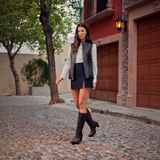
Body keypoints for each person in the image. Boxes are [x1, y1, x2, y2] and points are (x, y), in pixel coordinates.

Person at [56, 23, 99, 145]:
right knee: (77, 105)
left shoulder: (92, 46)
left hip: (86, 75)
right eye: (78, 31)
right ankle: (92, 124)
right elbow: (68, 63)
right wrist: (62, 76)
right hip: (75, 75)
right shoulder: (72, 46)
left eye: (82, 30)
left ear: (86, 32)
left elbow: (94, 64)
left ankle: (78, 134)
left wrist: (94, 80)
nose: (80, 33)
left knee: (82, 104)